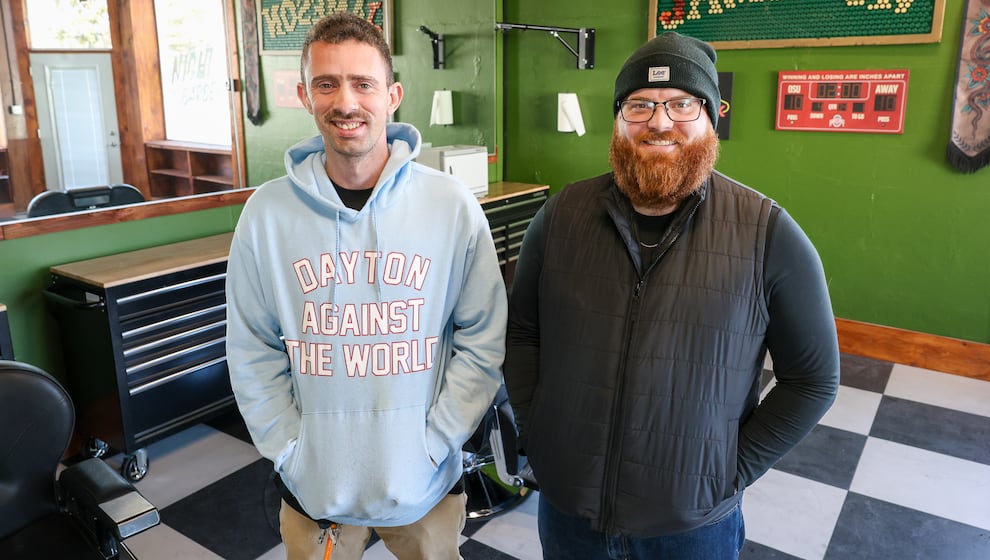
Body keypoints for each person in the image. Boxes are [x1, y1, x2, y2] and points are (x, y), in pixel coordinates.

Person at [504, 32, 840, 559]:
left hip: (691, 530)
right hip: (569, 515)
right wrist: (538, 434)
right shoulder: (560, 217)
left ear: (712, 117)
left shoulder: (768, 234)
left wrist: (726, 474)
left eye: (683, 104)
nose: (660, 122)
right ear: (618, 119)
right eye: (639, 105)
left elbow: (813, 380)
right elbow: (523, 334)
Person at [225, 13, 507, 560]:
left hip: (425, 484)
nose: (345, 102)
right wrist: (291, 449)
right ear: (305, 96)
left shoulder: (451, 206)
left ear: (392, 96)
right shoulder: (265, 215)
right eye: (327, 84)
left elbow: (483, 338)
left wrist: (437, 441)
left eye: (363, 83)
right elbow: (251, 347)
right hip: (314, 491)